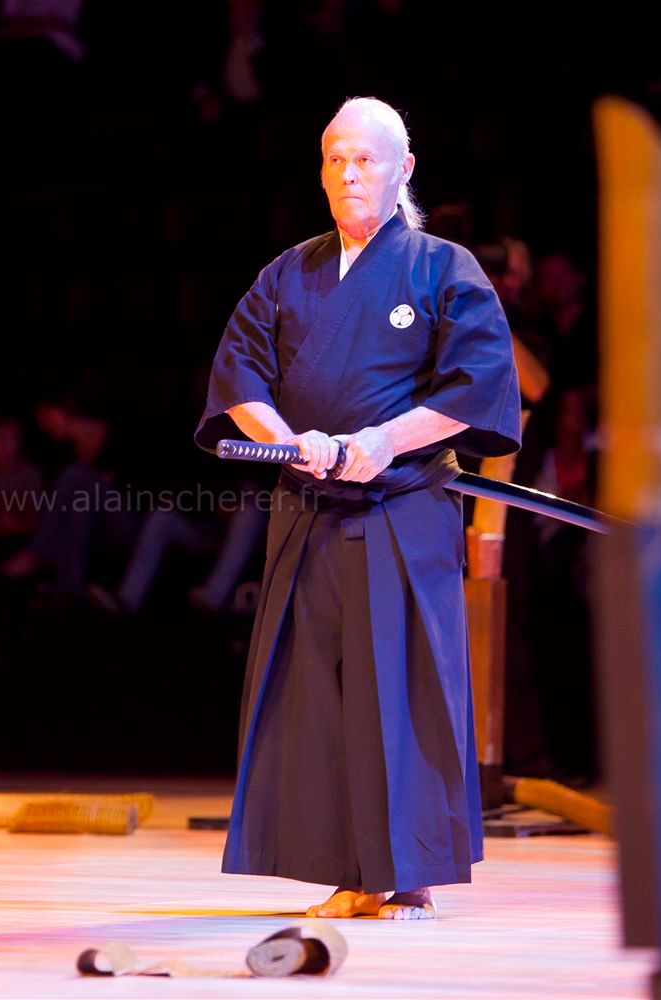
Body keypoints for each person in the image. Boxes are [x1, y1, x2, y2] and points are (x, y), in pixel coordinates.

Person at [194, 98, 521, 920]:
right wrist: (287, 443)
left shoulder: (443, 268)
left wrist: (381, 441)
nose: (347, 173)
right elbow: (239, 375)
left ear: (402, 169)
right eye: (334, 159)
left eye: (365, 159)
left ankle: (405, 876)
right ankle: (347, 871)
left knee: (401, 687)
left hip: (401, 506)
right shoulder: (288, 272)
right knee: (317, 692)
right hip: (308, 505)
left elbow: (475, 387)